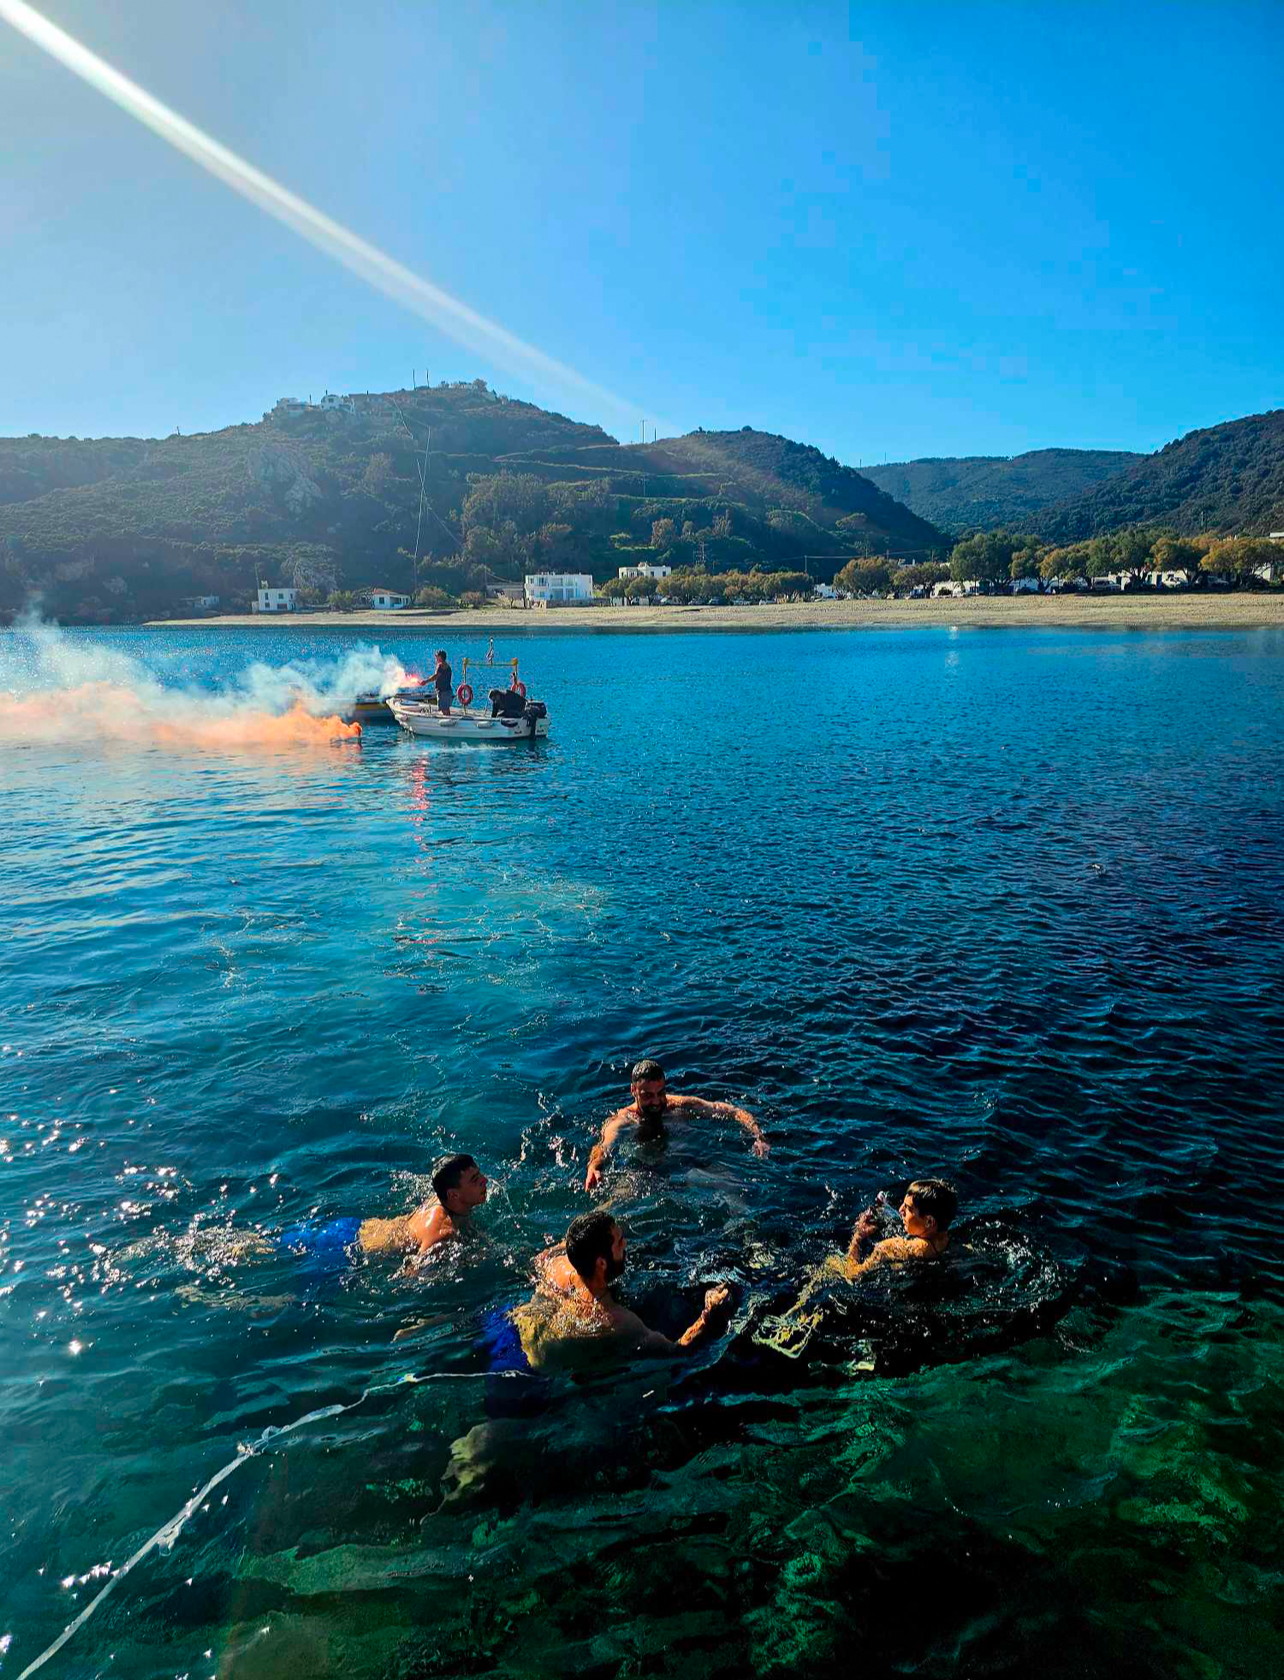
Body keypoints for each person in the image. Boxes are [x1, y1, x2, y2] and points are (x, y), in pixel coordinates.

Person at [512, 1210, 733, 1370]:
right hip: (540, 1381)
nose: (625, 1244)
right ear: (601, 1263)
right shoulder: (616, 1321)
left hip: (514, 1337)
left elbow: (542, 1258)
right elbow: (677, 1352)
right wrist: (708, 1313)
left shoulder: (557, 1266)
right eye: (619, 1242)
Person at [584, 1058, 768, 1190]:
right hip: (646, 1173)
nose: (656, 1101)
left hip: (688, 1164)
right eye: (647, 1095)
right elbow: (603, 1146)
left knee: (735, 1186)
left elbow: (732, 1111)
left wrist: (758, 1136)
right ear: (633, 1090)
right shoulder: (624, 1120)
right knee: (617, 1204)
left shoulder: (678, 1105)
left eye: (660, 1093)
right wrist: (594, 1167)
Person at [358, 1154, 488, 1256]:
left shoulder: (443, 1198)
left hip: (368, 1228)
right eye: (475, 1180)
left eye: (479, 1174)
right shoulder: (442, 1234)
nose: (485, 1180)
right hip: (359, 1245)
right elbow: (411, 1275)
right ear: (453, 1195)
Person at [843, 1179, 957, 1277]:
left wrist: (858, 1236)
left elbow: (852, 1274)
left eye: (908, 1208)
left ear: (929, 1221)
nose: (900, 1210)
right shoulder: (948, 1241)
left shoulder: (889, 1248)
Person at [432, 648, 453, 714]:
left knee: (444, 711)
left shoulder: (440, 665)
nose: (436, 658)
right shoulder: (447, 666)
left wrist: (425, 681)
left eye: (437, 656)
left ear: (440, 657)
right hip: (448, 691)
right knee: (446, 710)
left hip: (443, 692)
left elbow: (435, 676)